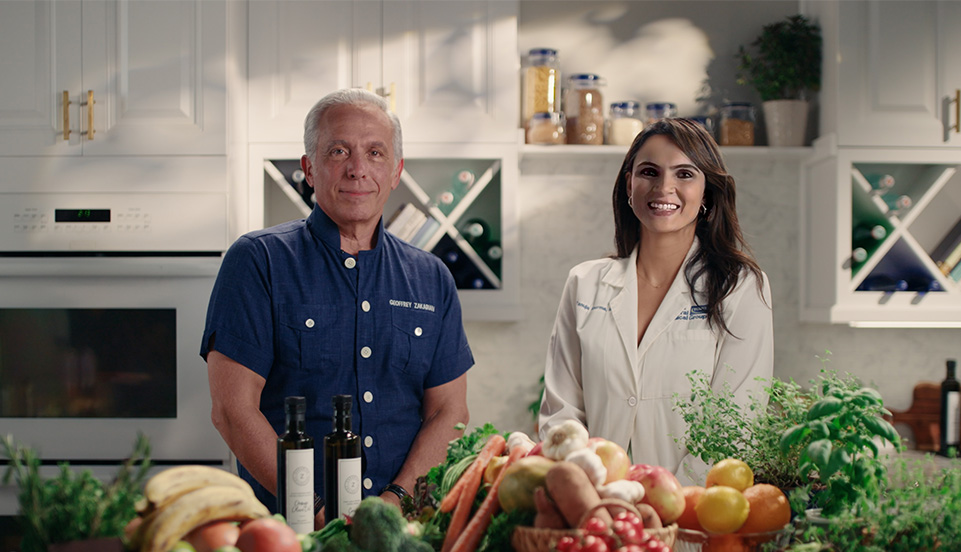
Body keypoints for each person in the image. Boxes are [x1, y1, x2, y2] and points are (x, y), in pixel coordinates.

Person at [200, 88, 474, 528]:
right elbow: (232, 411)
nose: (358, 169)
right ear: (309, 168)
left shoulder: (432, 278)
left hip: (401, 532)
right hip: (286, 533)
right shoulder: (258, 261)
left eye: (375, 153)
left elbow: (449, 412)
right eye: (339, 150)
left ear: (396, 171)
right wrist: (312, 510)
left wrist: (396, 501)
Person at [538, 118, 773, 485]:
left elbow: (737, 423)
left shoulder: (739, 287)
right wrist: (594, 494)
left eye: (684, 174)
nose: (664, 187)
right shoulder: (584, 284)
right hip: (596, 514)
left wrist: (667, 501)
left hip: (695, 518)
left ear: (707, 192)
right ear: (629, 185)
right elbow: (561, 413)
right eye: (649, 172)